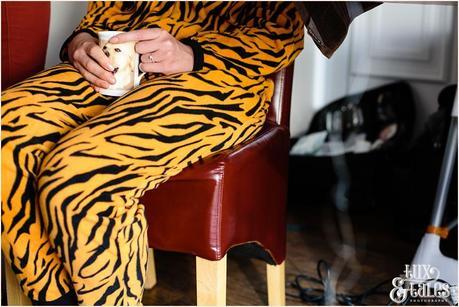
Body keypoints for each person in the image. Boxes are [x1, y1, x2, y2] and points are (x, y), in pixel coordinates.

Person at [1, 1, 304, 305]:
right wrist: (80, 42)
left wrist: (192, 53)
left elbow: (281, 33)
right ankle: (57, 299)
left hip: (216, 80)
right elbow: (110, 10)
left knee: (80, 173)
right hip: (122, 64)